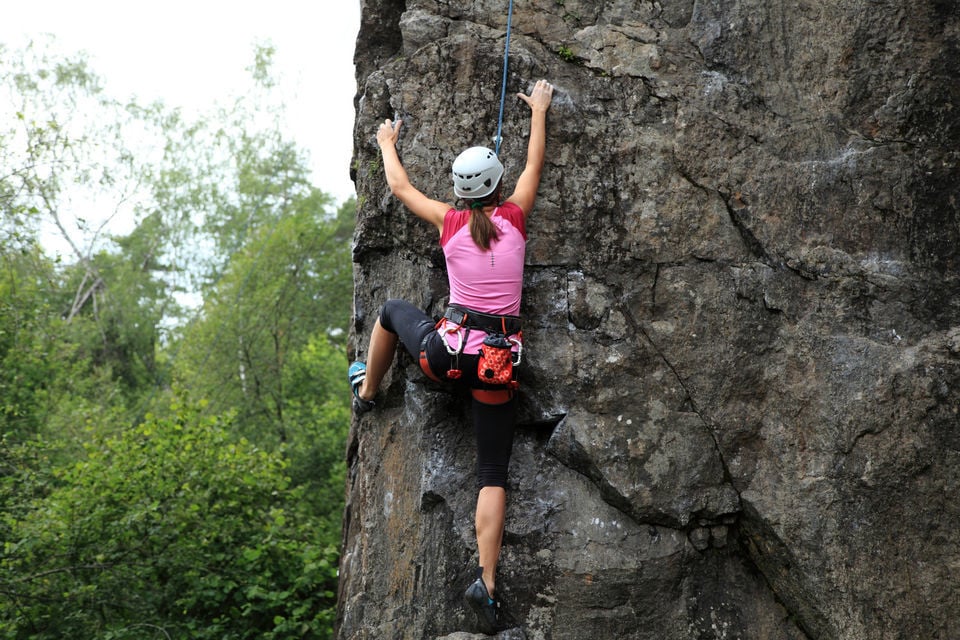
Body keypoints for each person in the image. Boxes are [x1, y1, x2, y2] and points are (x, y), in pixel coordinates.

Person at [349, 79, 554, 633]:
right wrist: (538, 110)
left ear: (461, 193)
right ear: (495, 186)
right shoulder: (515, 216)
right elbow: (535, 162)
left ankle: (367, 392)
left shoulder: (450, 221)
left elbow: (399, 188)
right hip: (495, 364)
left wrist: (388, 140)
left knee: (392, 310)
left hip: (446, 355)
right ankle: (485, 584)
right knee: (492, 474)